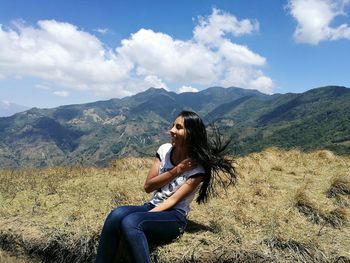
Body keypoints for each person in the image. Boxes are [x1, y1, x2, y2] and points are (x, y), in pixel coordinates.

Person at [95, 110, 236, 263]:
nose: (172, 130)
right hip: (152, 205)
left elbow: (172, 201)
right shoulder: (164, 150)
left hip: (174, 217)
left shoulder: (197, 169)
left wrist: (145, 217)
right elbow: (148, 186)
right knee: (115, 215)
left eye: (178, 127)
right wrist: (178, 170)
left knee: (131, 222)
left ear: (191, 133)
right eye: (173, 125)